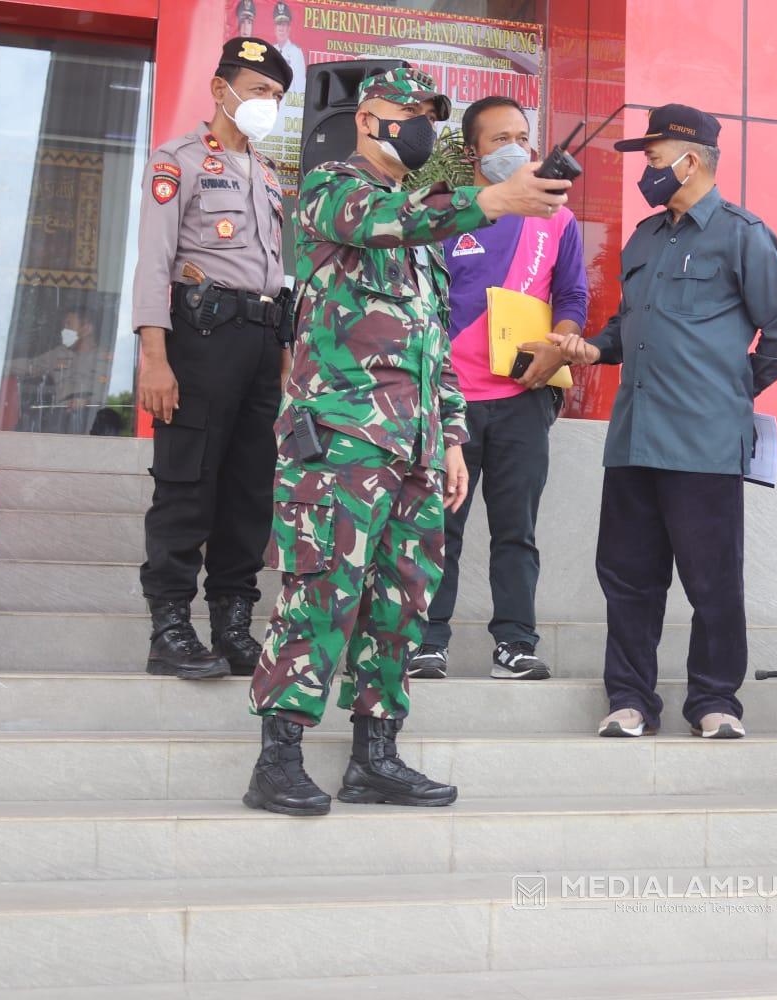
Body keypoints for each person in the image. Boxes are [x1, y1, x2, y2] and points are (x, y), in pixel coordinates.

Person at [243, 67, 572, 816]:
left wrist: (452, 439)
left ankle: (376, 755)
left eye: (432, 112)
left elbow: (436, 349)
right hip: (340, 445)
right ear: (369, 118)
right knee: (321, 594)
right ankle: (279, 756)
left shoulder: (425, 238)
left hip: (418, 451)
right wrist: (491, 201)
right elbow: (386, 217)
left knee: (399, 606)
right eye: (412, 110)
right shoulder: (333, 189)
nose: (423, 123)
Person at [552, 103, 777, 740]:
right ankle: (630, 700)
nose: (648, 169)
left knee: (712, 581)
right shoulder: (643, 238)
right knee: (629, 580)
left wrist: (729, 393)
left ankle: (715, 701)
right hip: (634, 439)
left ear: (692, 160)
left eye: (656, 158)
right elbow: (626, 325)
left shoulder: (743, 235)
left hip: (704, 444)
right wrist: (592, 348)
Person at [408, 95, 588, 682]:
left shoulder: (556, 218)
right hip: (450, 402)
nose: (514, 148)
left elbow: (572, 298)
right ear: (471, 152)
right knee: (440, 528)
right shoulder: (446, 215)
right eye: (498, 139)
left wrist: (559, 342)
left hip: (520, 401)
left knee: (517, 531)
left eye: (522, 137)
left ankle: (515, 644)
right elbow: (423, 304)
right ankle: (426, 641)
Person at [131, 36, 291, 681]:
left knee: (251, 489)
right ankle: (169, 626)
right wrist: (154, 355)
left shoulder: (271, 173)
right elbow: (156, 259)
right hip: (200, 337)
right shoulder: (180, 160)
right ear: (221, 90)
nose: (267, 105)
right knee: (187, 482)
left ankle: (231, 623)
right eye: (258, 91)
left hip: (260, 340)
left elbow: (276, 270)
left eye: (277, 96)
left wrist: (282, 354)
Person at [272, 1, 305, 95]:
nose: (281, 29)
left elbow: (300, 87)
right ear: (275, 28)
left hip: (289, 106)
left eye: (284, 24)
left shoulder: (296, 53)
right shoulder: (271, 51)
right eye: (278, 24)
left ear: (289, 28)